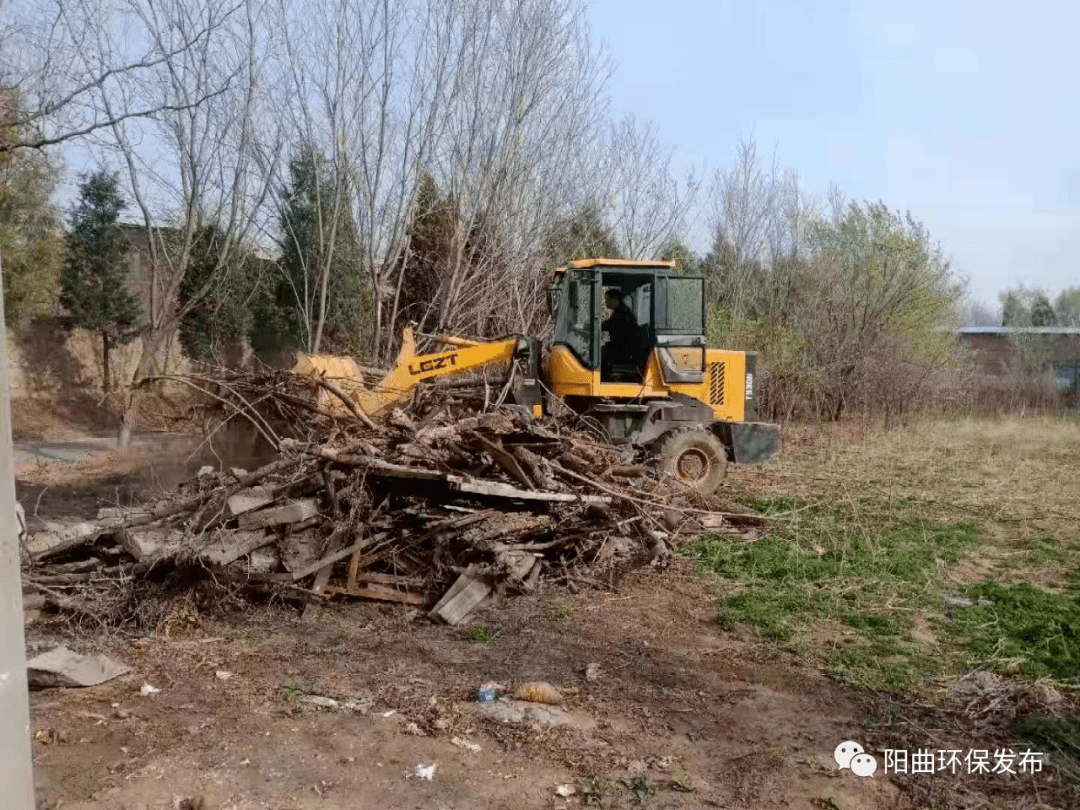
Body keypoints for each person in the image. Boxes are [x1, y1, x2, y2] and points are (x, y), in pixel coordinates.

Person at [601, 288, 638, 374]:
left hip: (623, 350)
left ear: (614, 300)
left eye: (607, 300)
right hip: (623, 347)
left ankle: (604, 375)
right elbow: (609, 324)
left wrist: (596, 326)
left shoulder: (622, 314)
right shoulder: (620, 311)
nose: (605, 303)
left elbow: (610, 325)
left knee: (602, 352)